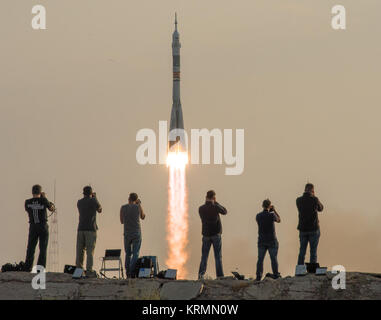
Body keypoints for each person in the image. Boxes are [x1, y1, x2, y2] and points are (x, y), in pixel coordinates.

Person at [24, 184, 55, 272]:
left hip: (33, 226)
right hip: (42, 225)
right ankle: (40, 269)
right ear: (40, 192)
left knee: (30, 247)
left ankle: (28, 267)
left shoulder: (27, 202)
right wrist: (44, 197)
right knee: (43, 248)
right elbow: (51, 208)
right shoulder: (43, 200)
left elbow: (27, 209)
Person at [198, 190, 227, 280]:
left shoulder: (201, 208)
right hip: (216, 234)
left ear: (206, 197)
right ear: (214, 197)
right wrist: (216, 202)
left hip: (206, 235)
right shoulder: (215, 207)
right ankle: (220, 276)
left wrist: (209, 202)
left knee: (204, 256)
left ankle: (201, 275)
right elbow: (225, 211)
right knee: (218, 257)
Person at [76, 186, 102, 276]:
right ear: (91, 193)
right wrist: (95, 198)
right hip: (91, 229)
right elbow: (100, 209)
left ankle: (79, 271)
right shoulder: (93, 200)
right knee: (90, 251)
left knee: (80, 250)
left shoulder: (79, 202)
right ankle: (89, 271)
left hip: (80, 229)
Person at [296, 183, 324, 265]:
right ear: (312, 190)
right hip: (313, 229)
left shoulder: (298, 200)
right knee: (313, 251)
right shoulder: (314, 199)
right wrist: (314, 197)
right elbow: (321, 208)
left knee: (302, 251)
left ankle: (300, 269)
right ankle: (312, 270)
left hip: (303, 229)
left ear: (304, 189)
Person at [120, 192, 145, 278]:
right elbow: (143, 216)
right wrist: (139, 204)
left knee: (128, 253)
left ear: (129, 199)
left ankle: (127, 272)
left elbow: (121, 221)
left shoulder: (123, 207)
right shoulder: (137, 207)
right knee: (135, 253)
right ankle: (132, 272)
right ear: (136, 199)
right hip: (136, 233)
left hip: (127, 233)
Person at [255, 199, 281, 281]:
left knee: (260, 259)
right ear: (270, 206)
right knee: (273, 258)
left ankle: (258, 276)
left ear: (262, 205)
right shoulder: (272, 215)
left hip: (262, 240)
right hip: (271, 240)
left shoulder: (258, 216)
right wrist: (274, 211)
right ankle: (276, 274)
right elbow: (279, 220)